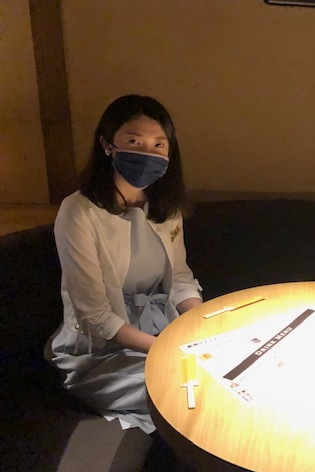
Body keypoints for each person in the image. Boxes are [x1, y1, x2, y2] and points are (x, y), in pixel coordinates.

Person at [47, 94, 203, 434]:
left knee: (219, 381)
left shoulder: (166, 206)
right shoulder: (79, 212)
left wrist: (201, 327)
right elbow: (96, 316)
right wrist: (168, 349)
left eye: (158, 144)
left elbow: (179, 278)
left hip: (164, 328)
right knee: (181, 396)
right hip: (102, 351)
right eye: (134, 141)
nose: (148, 153)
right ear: (107, 145)